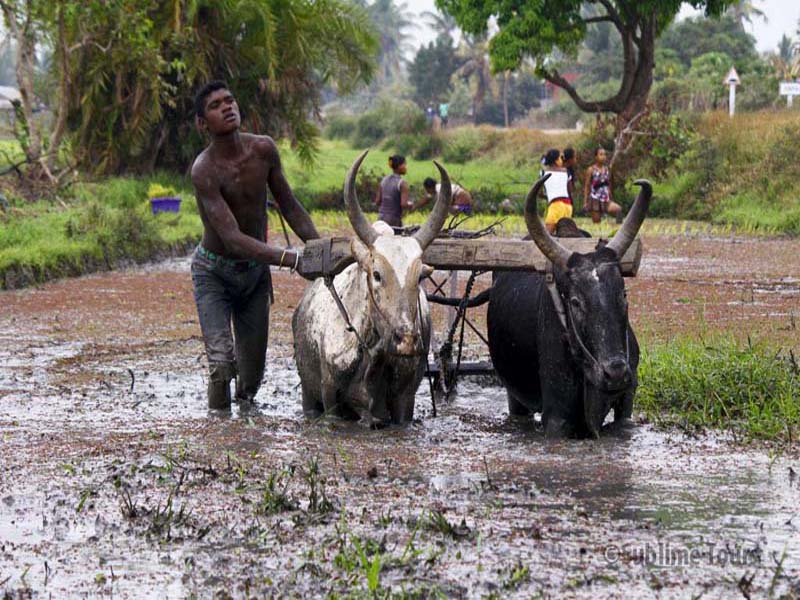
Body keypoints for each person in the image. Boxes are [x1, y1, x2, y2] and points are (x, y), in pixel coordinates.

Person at [190, 80, 319, 410]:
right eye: (216, 105)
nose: (227, 107)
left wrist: (321, 248)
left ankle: (245, 434)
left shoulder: (263, 150)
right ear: (202, 123)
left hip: (254, 277)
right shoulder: (204, 170)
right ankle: (218, 434)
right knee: (221, 365)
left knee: (251, 379)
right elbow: (232, 239)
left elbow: (289, 205)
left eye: (230, 100)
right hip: (214, 273)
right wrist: (292, 259)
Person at [584, 147, 622, 224]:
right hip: (595, 199)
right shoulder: (591, 170)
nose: (603, 157)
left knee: (618, 210)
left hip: (606, 199)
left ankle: (619, 229)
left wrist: (611, 197)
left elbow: (609, 184)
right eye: (601, 154)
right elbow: (587, 186)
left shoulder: (607, 169)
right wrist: (585, 202)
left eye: (604, 155)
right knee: (597, 223)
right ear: (596, 157)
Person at [540, 148, 572, 234]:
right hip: (568, 206)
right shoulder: (566, 172)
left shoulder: (543, 173)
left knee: (547, 235)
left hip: (555, 206)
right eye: (560, 157)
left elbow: (539, 192)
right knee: (564, 235)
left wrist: (547, 196)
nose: (562, 160)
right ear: (556, 160)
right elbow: (569, 191)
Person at [375, 154, 412, 227]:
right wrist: (411, 205)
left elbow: (377, 201)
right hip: (393, 219)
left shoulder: (383, 180)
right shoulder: (402, 183)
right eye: (405, 164)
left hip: (380, 218)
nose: (406, 167)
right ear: (400, 166)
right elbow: (403, 204)